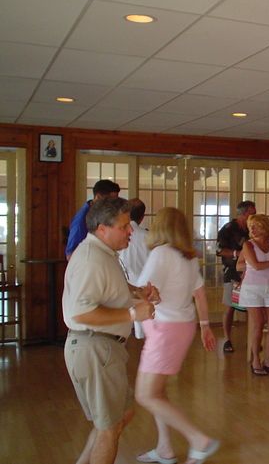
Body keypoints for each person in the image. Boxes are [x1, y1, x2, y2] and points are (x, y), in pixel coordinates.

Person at [62, 197, 157, 464]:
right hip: (95, 348)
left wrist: (138, 292)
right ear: (103, 228)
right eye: (124, 226)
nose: (130, 231)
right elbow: (79, 313)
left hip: (102, 348)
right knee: (109, 428)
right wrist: (132, 314)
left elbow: (110, 288)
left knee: (121, 416)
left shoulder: (103, 255)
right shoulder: (91, 260)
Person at [134, 207, 219, 464]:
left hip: (165, 330)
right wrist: (205, 325)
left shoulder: (161, 254)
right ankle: (164, 448)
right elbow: (199, 293)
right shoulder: (188, 258)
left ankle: (198, 440)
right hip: (181, 327)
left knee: (145, 394)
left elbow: (143, 291)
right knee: (158, 391)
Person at [237, 214, 269, 375]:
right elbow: (255, 265)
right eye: (251, 227)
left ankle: (268, 359)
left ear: (265, 227)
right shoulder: (248, 245)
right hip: (252, 289)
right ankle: (255, 359)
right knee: (258, 324)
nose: (253, 230)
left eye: (256, 226)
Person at [217, 200, 256, 353]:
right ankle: (227, 339)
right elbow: (219, 250)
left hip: (250, 273)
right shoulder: (227, 229)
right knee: (229, 306)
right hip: (232, 272)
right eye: (252, 213)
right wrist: (238, 253)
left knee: (252, 308)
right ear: (244, 214)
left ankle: (252, 340)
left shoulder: (252, 229)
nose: (254, 216)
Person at [66, 179, 121, 260]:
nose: (113, 204)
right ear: (98, 197)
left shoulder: (102, 213)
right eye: (110, 200)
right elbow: (70, 255)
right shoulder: (81, 220)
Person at [118, 198, 149, 285]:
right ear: (142, 217)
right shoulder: (149, 237)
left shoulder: (116, 234)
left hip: (122, 284)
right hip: (146, 285)